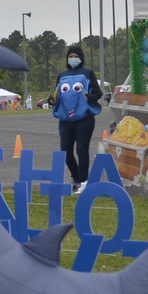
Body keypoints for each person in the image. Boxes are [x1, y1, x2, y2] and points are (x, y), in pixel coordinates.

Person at [50, 45, 102, 195]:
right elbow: (57, 94)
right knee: (65, 152)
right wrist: (52, 101)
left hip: (84, 119)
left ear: (81, 58)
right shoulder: (62, 75)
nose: (73, 59)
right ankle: (76, 178)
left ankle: (84, 181)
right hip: (65, 120)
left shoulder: (88, 73)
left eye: (75, 56)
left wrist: (89, 97)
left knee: (82, 150)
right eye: (70, 56)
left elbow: (98, 93)